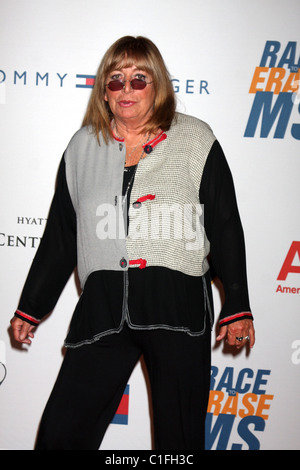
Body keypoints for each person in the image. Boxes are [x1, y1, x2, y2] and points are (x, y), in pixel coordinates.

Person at [10, 36, 255, 450]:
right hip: (103, 308)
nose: (126, 89)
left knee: (180, 444)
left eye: (139, 79)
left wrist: (237, 303)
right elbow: (61, 236)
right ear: (104, 92)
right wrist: (30, 308)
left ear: (157, 85)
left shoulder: (196, 138)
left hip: (178, 305)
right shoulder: (81, 147)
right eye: (116, 80)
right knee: (60, 435)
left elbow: (225, 223)